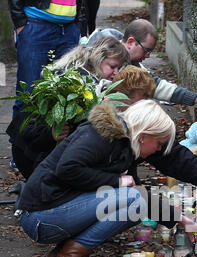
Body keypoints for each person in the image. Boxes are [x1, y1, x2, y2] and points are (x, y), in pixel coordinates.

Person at [17, 99, 197, 257]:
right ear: (143, 136)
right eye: (158, 142)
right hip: (41, 217)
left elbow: (171, 157)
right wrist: (117, 182)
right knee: (135, 200)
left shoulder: (127, 141)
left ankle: (61, 255)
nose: (158, 148)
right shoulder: (98, 136)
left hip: (59, 210)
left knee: (136, 204)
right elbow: (67, 169)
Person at [6, 36, 130, 180]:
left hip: (33, 149)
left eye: (119, 68)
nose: (116, 73)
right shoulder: (76, 84)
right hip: (31, 155)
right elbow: (32, 129)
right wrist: (51, 134)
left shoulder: (82, 71)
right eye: (112, 66)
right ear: (98, 58)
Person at [87, 18, 197, 110]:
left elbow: (158, 86)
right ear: (131, 42)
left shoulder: (130, 65)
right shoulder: (90, 60)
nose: (148, 56)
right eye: (146, 50)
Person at [8, 0, 87, 120]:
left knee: (66, 93)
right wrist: (20, 22)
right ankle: (20, 138)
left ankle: (55, 138)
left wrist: (80, 24)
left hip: (69, 29)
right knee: (29, 94)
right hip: (36, 25)